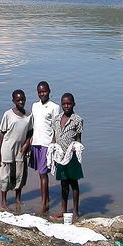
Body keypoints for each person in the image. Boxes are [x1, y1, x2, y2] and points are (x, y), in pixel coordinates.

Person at [0, 89, 33, 212]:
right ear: (13, 101)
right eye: (18, 100)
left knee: (20, 174)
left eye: (22, 99)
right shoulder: (8, 114)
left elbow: (30, 132)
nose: (21, 101)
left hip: (21, 149)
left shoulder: (29, 115)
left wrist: (27, 144)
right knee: (5, 174)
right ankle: (3, 200)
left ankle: (18, 198)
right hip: (7, 148)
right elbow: (2, 133)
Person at [51, 93, 84, 222]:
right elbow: (55, 136)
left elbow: (78, 138)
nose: (66, 106)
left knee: (74, 184)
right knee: (63, 183)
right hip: (60, 156)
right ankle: (63, 210)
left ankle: (75, 211)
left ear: (73, 104)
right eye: (64, 104)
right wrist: (52, 149)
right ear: (61, 104)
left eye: (69, 103)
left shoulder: (77, 120)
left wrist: (77, 152)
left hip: (72, 156)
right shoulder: (56, 119)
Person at [29, 81, 61, 216]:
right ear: (37, 93)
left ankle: (44, 204)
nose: (42, 94)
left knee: (43, 173)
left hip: (47, 144)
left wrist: (54, 145)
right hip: (35, 142)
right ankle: (46, 199)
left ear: (49, 91)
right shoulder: (35, 106)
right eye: (40, 92)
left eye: (44, 91)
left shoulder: (54, 107)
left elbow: (56, 127)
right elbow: (33, 125)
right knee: (40, 173)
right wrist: (28, 143)